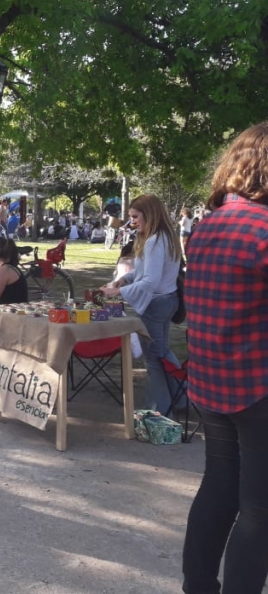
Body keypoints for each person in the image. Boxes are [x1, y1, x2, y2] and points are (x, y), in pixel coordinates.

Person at [181, 123, 268, 594]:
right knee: (259, 508)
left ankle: (197, 585)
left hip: (213, 382)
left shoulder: (207, 226)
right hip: (257, 386)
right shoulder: (263, 230)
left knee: (218, 486)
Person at [101, 194, 182, 414]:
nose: (132, 221)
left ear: (150, 214)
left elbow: (150, 280)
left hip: (157, 304)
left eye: (135, 216)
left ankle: (159, 411)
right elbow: (145, 270)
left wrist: (118, 291)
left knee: (154, 360)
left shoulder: (156, 240)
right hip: (166, 301)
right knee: (162, 352)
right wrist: (125, 278)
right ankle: (181, 397)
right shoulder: (164, 236)